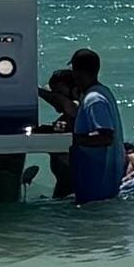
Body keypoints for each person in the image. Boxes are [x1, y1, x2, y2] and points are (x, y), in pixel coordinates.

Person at [68, 48, 126, 205]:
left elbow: (105, 137)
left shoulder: (94, 99)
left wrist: (71, 140)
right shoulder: (103, 92)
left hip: (97, 188)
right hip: (104, 188)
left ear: (78, 72)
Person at [39, 66, 79, 199]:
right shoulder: (64, 121)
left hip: (76, 195)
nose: (55, 98)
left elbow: (72, 106)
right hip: (63, 195)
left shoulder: (81, 114)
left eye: (59, 93)